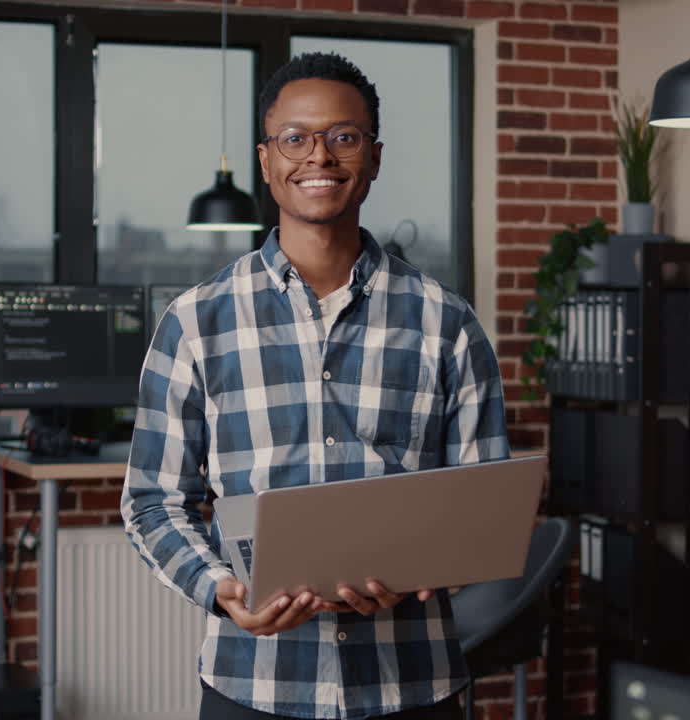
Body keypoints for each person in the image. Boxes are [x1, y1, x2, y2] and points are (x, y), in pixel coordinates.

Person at [121, 52, 509, 720]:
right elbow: (153, 502)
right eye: (296, 139)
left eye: (344, 137)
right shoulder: (194, 322)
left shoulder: (448, 324)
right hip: (253, 688)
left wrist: (417, 571)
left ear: (375, 157)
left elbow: (484, 507)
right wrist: (220, 588)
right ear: (267, 161)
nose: (319, 158)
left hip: (410, 685)